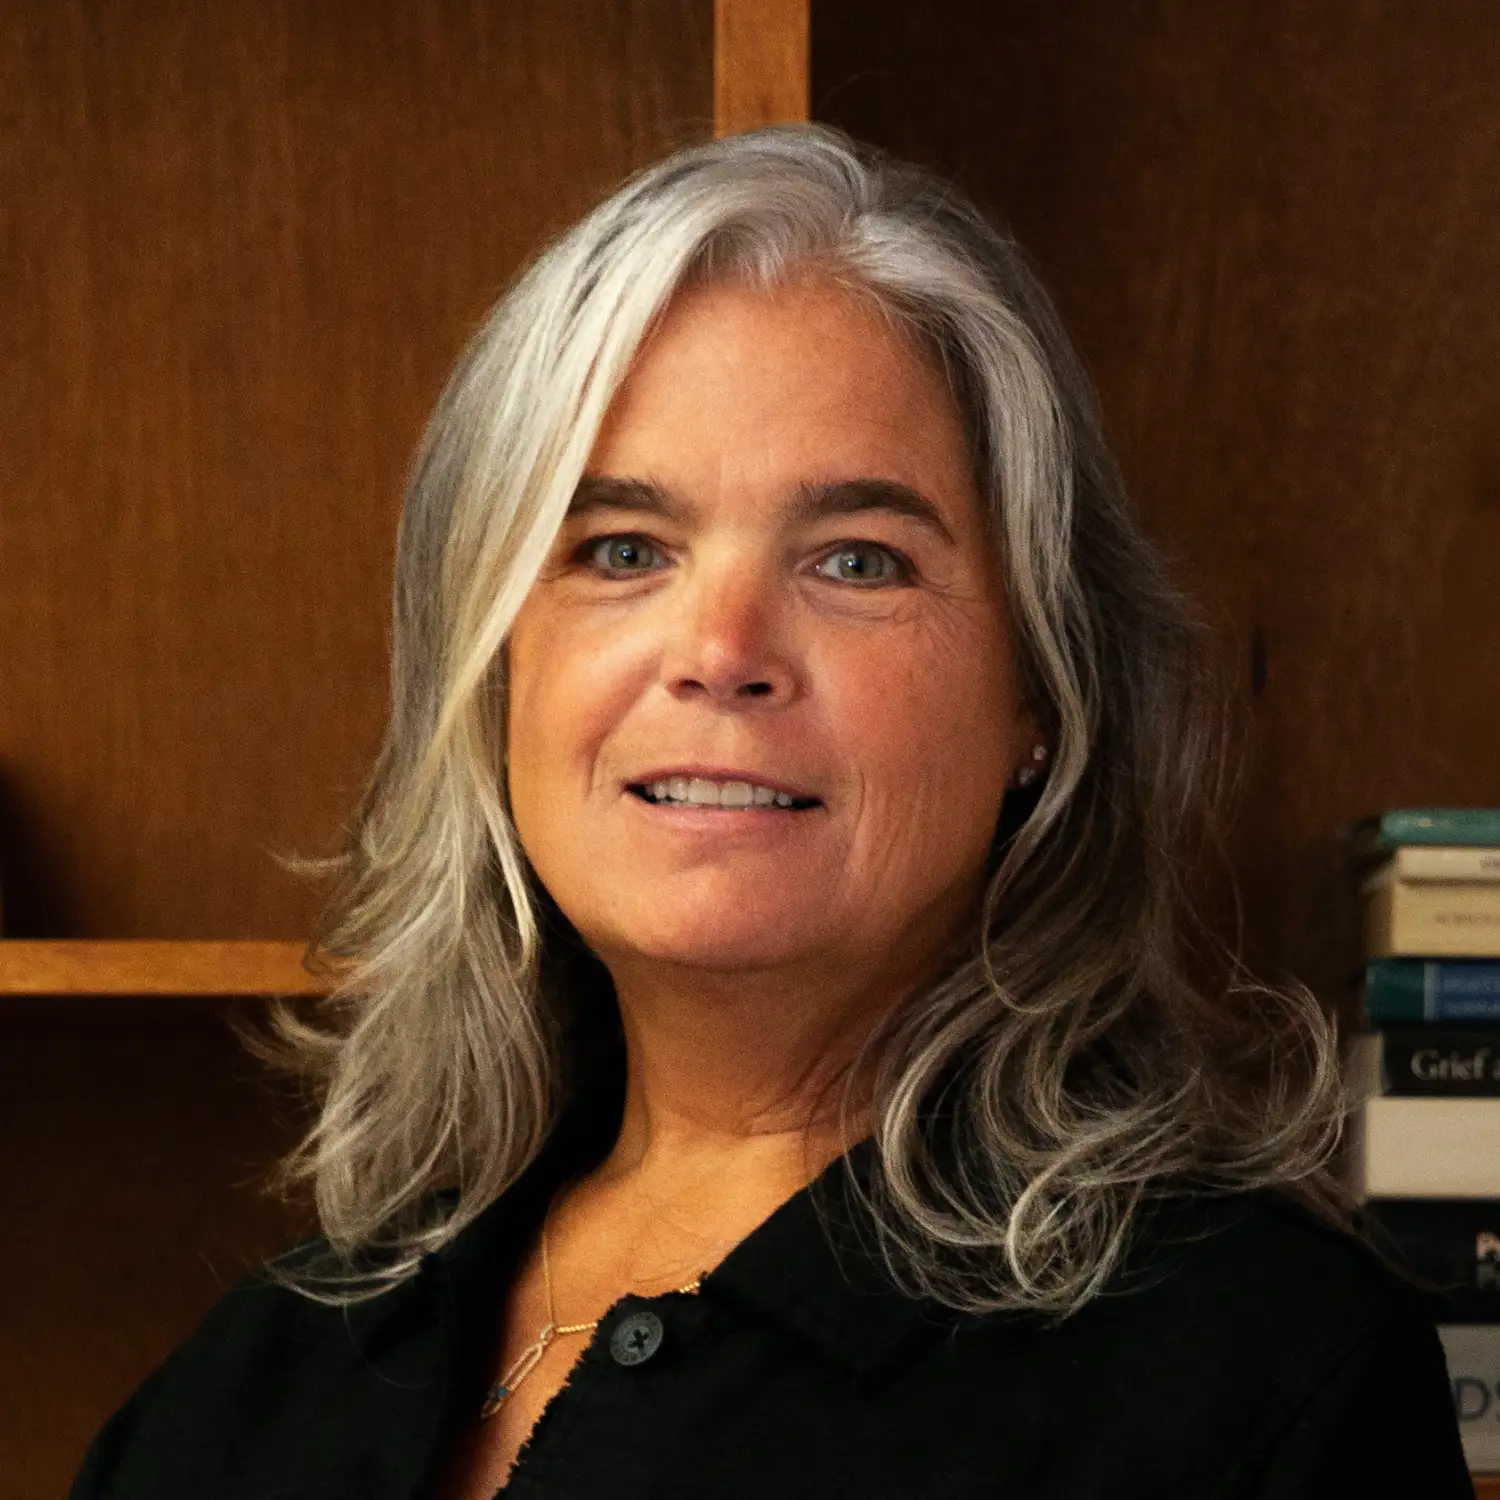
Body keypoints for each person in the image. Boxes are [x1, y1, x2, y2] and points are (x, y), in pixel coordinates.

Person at [71, 125, 1471, 1499]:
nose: (721, 645)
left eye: (858, 559)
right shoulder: (253, 1378)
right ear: (495, 670)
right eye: (622, 550)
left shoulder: (1263, 1389)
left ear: (1042, 692)